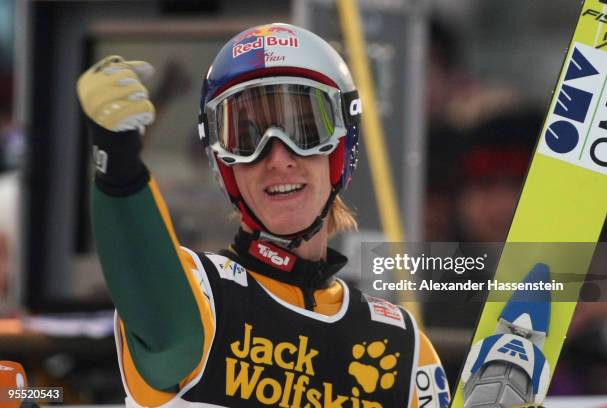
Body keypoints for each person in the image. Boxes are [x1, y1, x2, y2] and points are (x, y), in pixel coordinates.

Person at [77, 23, 449, 407]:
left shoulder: (402, 344)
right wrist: (118, 164)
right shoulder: (198, 294)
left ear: (341, 148)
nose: (279, 159)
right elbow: (158, 310)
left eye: (305, 132)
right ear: (224, 163)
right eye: (248, 138)